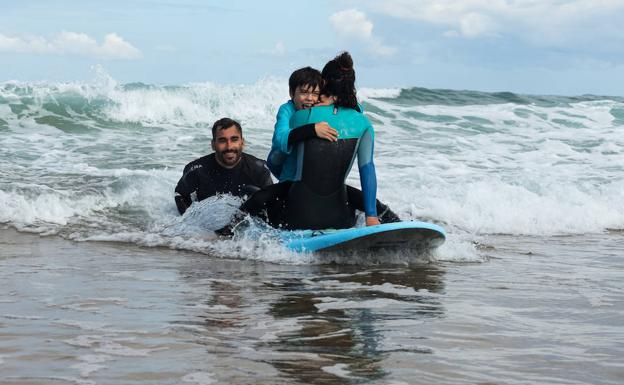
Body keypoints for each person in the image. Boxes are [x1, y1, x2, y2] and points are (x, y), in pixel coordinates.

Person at [219, 52, 399, 234]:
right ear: (292, 93)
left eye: (316, 93)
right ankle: (227, 230)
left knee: (368, 201)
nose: (311, 99)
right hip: (289, 177)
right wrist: (311, 129)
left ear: (324, 89)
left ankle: (398, 224)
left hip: (308, 190)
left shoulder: (308, 114)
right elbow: (279, 146)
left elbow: (353, 107)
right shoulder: (289, 111)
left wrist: (333, 100)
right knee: (259, 196)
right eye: (304, 93)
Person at [174, 117, 273, 215]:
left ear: (242, 143)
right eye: (222, 140)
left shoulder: (259, 170)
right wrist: (192, 223)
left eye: (234, 139)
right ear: (213, 144)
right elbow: (180, 195)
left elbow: (272, 203)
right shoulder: (197, 170)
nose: (229, 146)